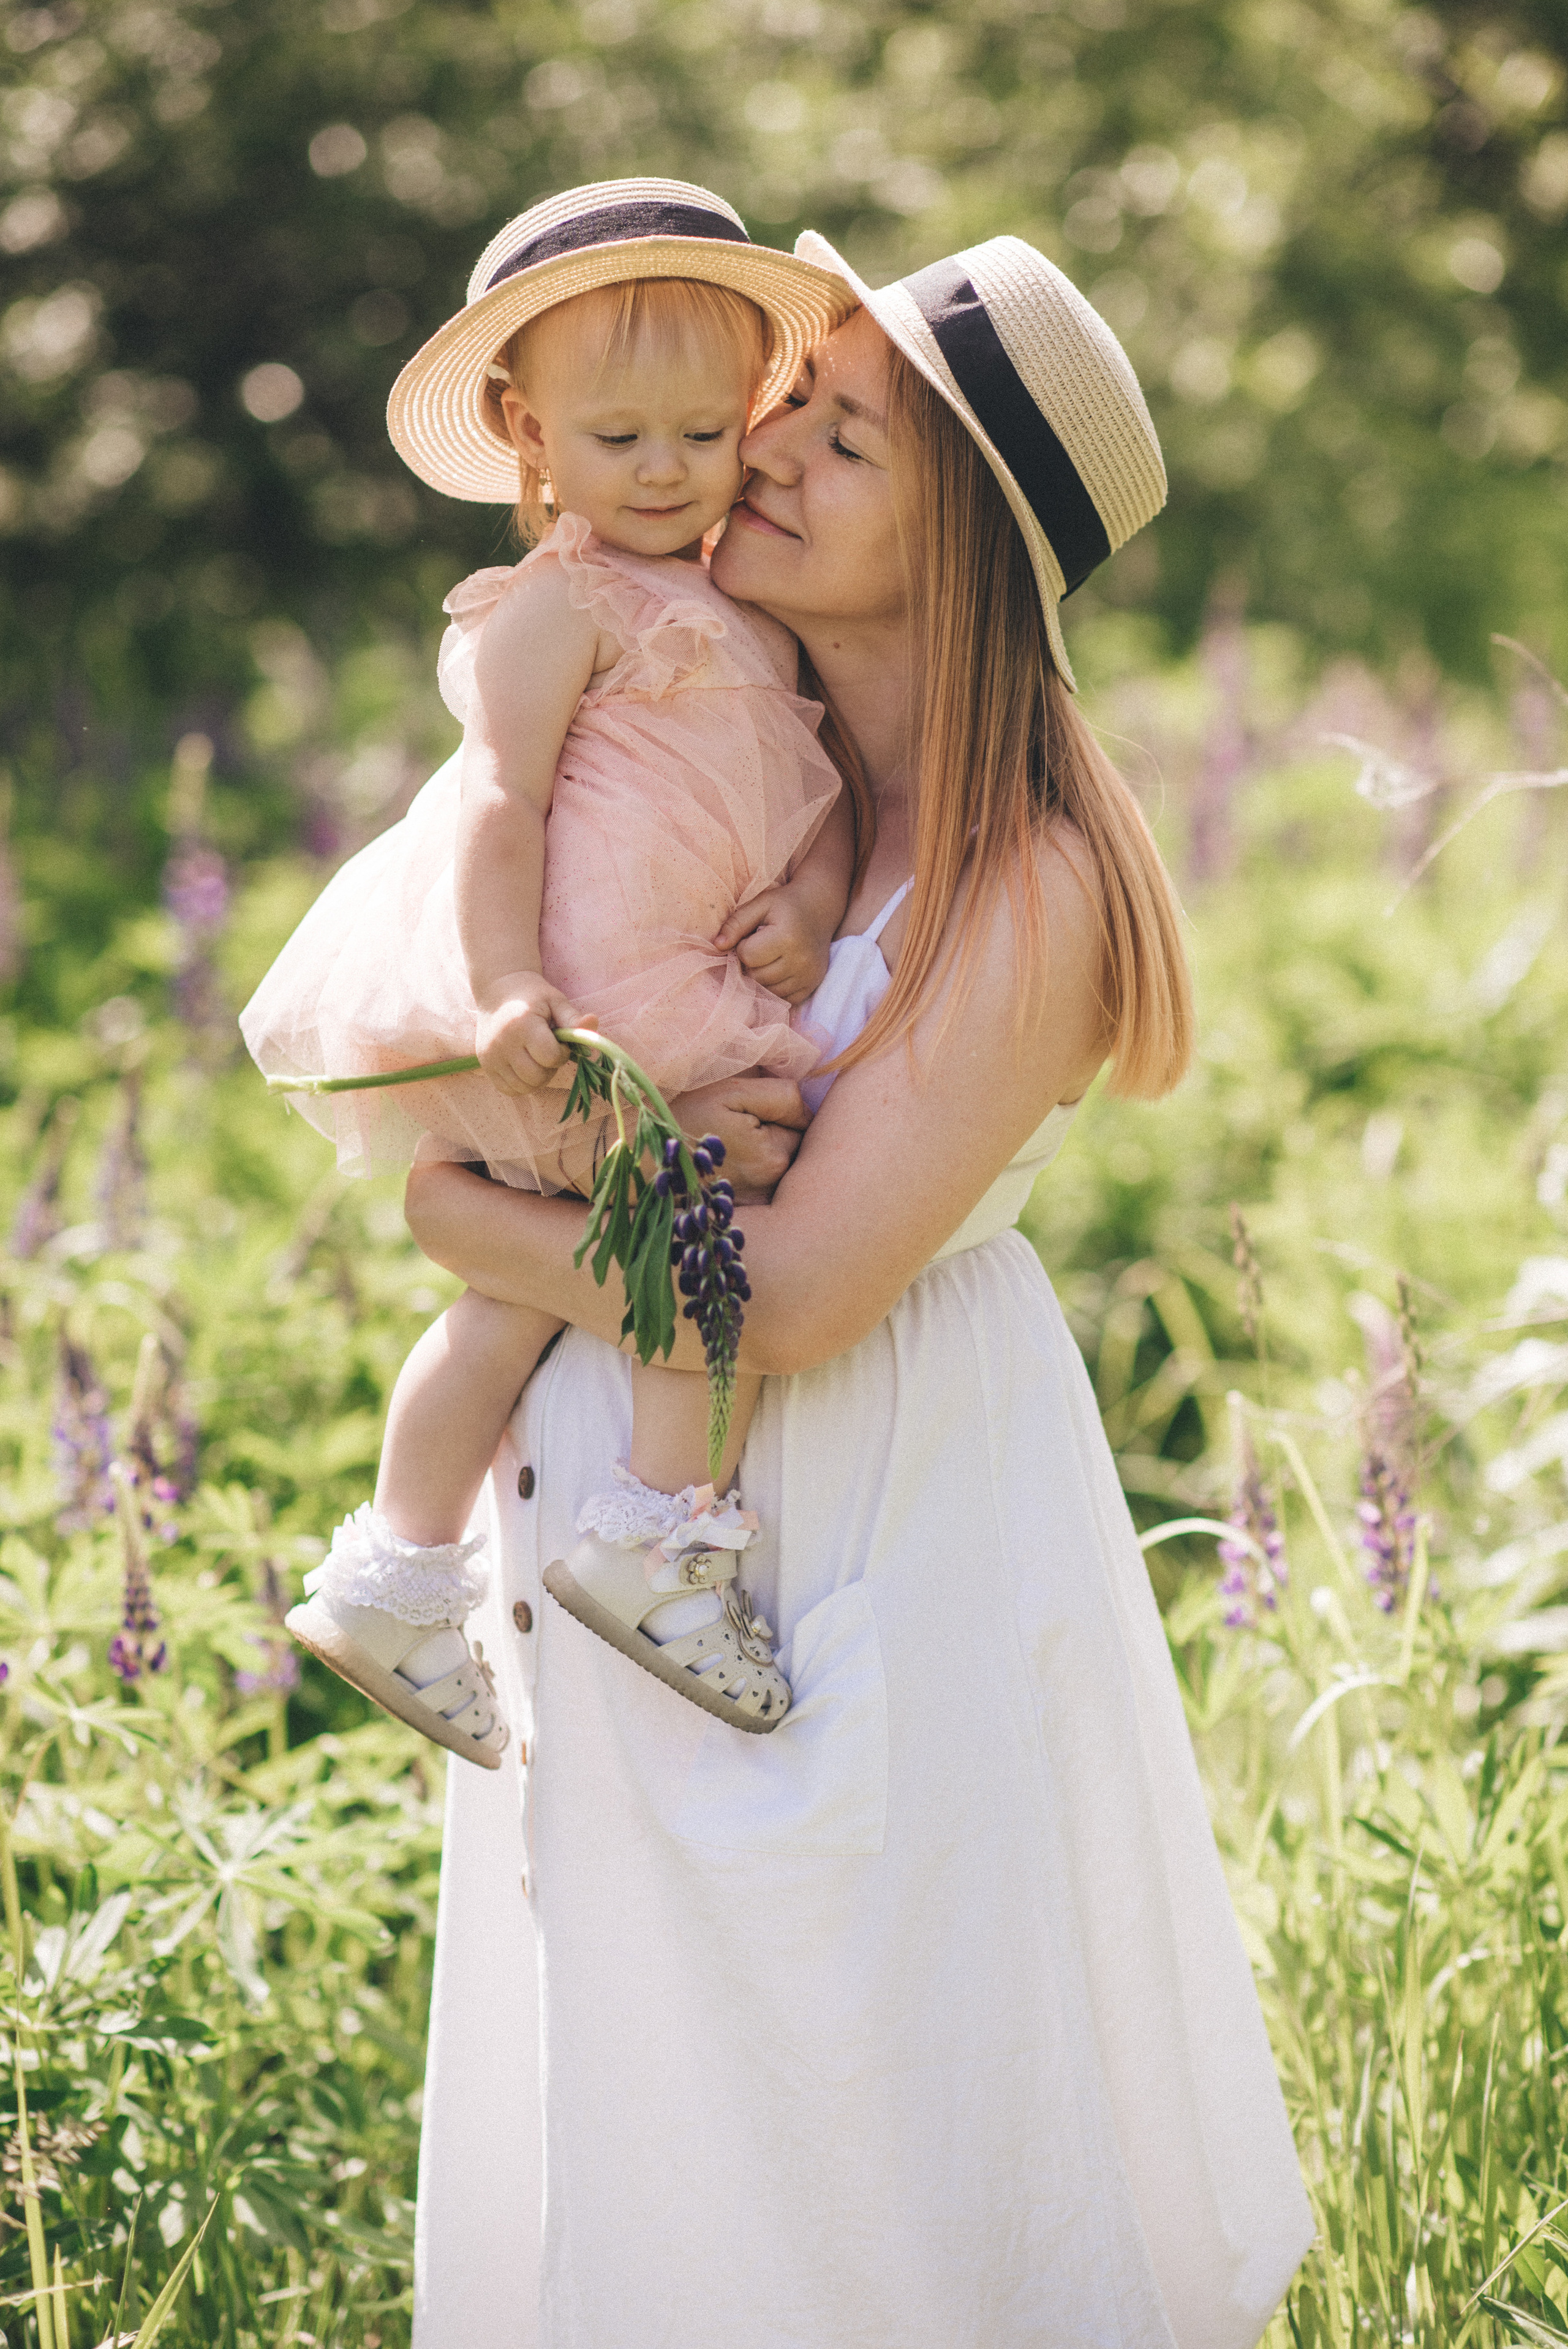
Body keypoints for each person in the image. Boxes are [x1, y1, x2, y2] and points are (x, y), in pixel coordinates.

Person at [406, 226, 1314, 2345]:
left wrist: (469, 1234)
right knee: (660, 2105)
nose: (770, 449)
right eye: (791, 404)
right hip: (631, 1519)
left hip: (865, 1510)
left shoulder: (1031, 875)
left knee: (860, 2103)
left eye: (850, 437)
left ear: (973, 545)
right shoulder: (723, 746)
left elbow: (795, 1297)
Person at [241, 182, 864, 1763]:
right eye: (618, 439)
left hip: (673, 977)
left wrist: (810, 897)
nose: (666, 473)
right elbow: (498, 805)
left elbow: (800, 796)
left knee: (513, 1300)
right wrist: (507, 986)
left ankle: (395, 1559)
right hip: (586, 1003)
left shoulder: (753, 618)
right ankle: (661, 1529)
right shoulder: (556, 606)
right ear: (527, 435)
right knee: (714, 1224)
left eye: (703, 435)